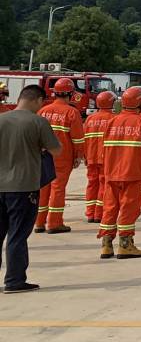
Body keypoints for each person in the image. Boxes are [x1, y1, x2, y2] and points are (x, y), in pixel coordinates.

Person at [0, 85, 62, 292]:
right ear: (37, 100)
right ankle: (14, 281)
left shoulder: (1, 119)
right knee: (17, 236)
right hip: (23, 186)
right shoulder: (37, 122)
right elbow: (56, 150)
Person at [98, 87, 141, 260]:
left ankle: (106, 244)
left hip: (111, 173)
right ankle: (125, 245)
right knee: (129, 208)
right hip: (132, 173)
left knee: (110, 207)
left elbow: (105, 149)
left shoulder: (111, 122)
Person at [35, 77, 85, 234]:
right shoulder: (72, 112)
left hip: (42, 155)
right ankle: (54, 223)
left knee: (43, 188)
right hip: (62, 156)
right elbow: (77, 138)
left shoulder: (43, 110)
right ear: (70, 94)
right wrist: (79, 156)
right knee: (58, 189)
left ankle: (39, 222)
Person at [82, 91, 116, 223]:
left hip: (91, 157)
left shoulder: (90, 119)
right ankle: (99, 214)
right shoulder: (113, 118)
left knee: (92, 184)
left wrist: (85, 155)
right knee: (104, 185)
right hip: (106, 159)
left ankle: (90, 213)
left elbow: (84, 138)